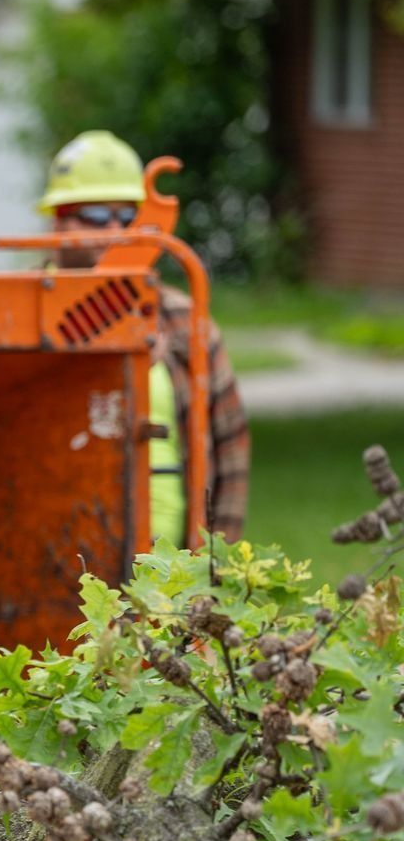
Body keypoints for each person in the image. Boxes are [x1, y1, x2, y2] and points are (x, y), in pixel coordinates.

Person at [39, 129, 251, 545]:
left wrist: (215, 567)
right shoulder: (17, 317)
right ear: (58, 220)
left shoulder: (185, 321)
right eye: (97, 215)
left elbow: (230, 444)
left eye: (128, 215)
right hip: (56, 559)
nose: (116, 228)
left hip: (171, 579)